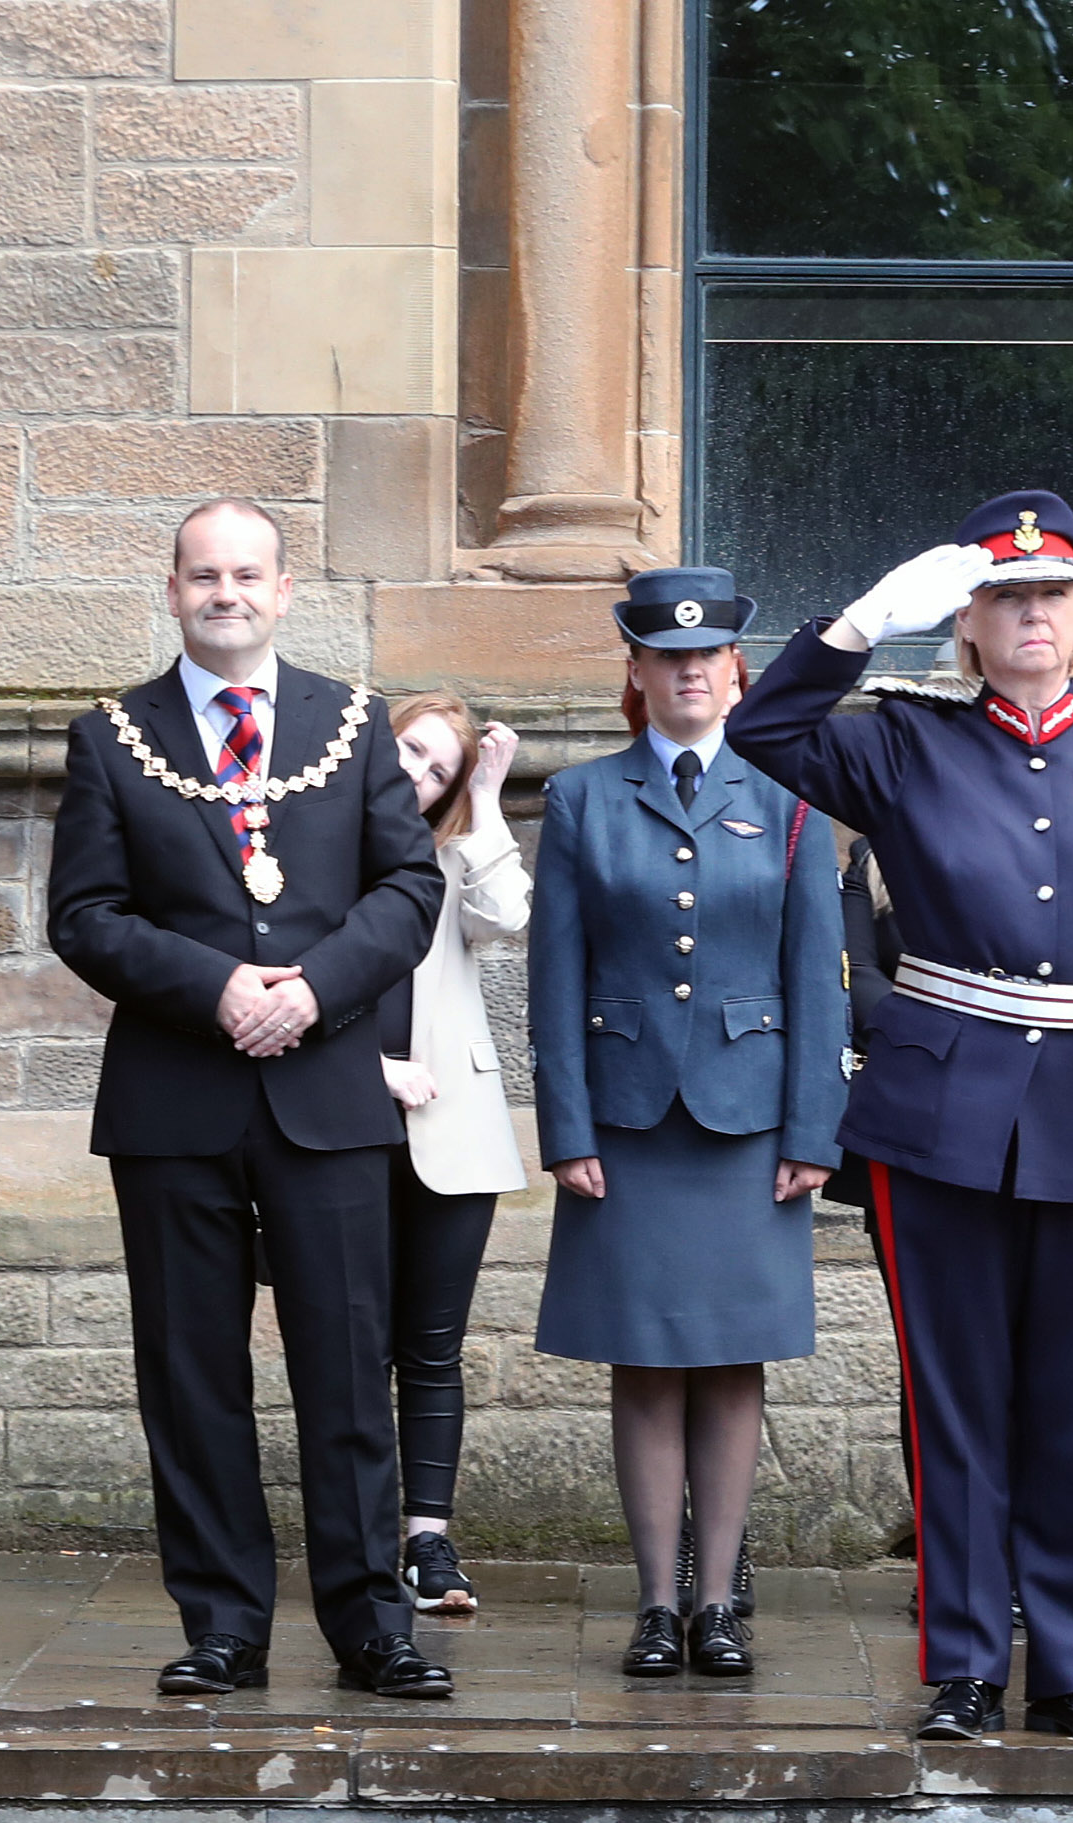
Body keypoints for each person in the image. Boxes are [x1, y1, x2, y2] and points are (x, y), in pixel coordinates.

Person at [728, 490, 1073, 1744]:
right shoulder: (902, 739)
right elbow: (761, 727)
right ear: (967, 620)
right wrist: (857, 624)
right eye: (1006, 597)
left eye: (1051, 597)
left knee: (1072, 1401)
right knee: (952, 1400)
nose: (1032, 618)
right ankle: (963, 1659)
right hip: (941, 1111)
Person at [44, 499, 450, 1702]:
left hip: (326, 1093)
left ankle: (373, 1623)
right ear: (172, 589)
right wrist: (218, 986)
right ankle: (224, 1621)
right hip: (178, 1096)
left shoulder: (356, 721)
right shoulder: (112, 734)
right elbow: (85, 914)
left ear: (283, 590)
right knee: (191, 1372)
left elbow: (407, 888)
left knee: (346, 1364)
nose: (226, 593)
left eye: (248, 574)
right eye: (203, 574)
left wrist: (315, 990)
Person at [531, 567, 846, 1679]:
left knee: (731, 1361)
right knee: (644, 1360)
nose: (690, 671)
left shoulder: (793, 798)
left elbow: (820, 977)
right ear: (637, 670)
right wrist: (565, 1124)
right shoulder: (581, 799)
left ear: (736, 671)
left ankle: (720, 1603)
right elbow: (554, 976)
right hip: (625, 1119)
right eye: (668, 656)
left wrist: (816, 1126)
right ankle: (657, 1603)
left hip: (749, 1119)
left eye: (707, 656)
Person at [378, 690, 528, 1616]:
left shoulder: (455, 851)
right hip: (341, 1117)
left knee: (431, 1348)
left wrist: (487, 798)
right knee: (353, 1346)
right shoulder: (315, 840)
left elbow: (505, 917)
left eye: (438, 769)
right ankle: (357, 1534)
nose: (417, 775)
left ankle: (428, 1542)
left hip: (453, 1127)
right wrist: (369, 1067)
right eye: (410, 752)